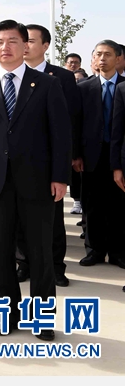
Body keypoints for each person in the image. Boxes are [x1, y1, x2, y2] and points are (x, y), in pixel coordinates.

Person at [0, 20, 71, 342]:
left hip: (38, 181)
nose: (6, 47)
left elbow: (60, 134)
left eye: (13, 41)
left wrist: (60, 177)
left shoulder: (47, 84)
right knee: (1, 253)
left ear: (25, 45)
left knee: (40, 253)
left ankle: (42, 319)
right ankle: (5, 316)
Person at [21, 24, 81, 287]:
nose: (24, 46)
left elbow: (71, 121)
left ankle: (56, 266)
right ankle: (23, 263)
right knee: (18, 219)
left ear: (45, 46)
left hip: (48, 163)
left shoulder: (62, 78)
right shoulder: (9, 75)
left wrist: (70, 157)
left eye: (30, 41)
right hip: (15, 161)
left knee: (53, 219)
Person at [79, 40, 125, 269]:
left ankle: (117, 252)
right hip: (91, 155)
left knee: (118, 205)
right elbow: (76, 124)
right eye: (98, 54)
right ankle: (94, 250)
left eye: (108, 54)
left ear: (118, 59)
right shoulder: (84, 88)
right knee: (92, 204)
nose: (102, 59)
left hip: (120, 154)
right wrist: (76, 155)